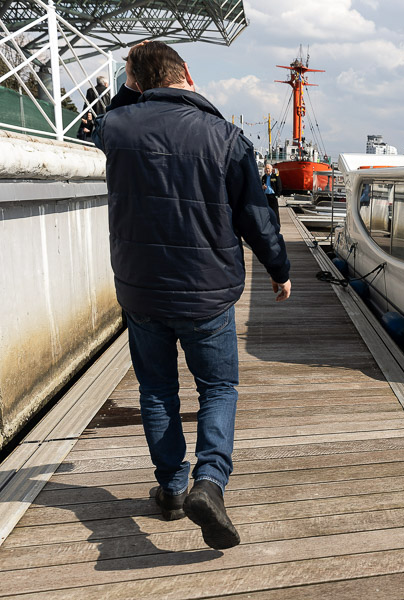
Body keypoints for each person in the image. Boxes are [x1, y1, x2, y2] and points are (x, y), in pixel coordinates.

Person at [92, 41, 291, 550]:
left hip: (141, 290)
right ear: (189, 75)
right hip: (207, 292)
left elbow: (98, 126)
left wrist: (130, 87)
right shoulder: (225, 136)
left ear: (136, 82)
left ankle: (173, 486)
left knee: (156, 391)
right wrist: (279, 267)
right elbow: (255, 215)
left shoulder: (118, 128)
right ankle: (210, 482)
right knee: (218, 389)